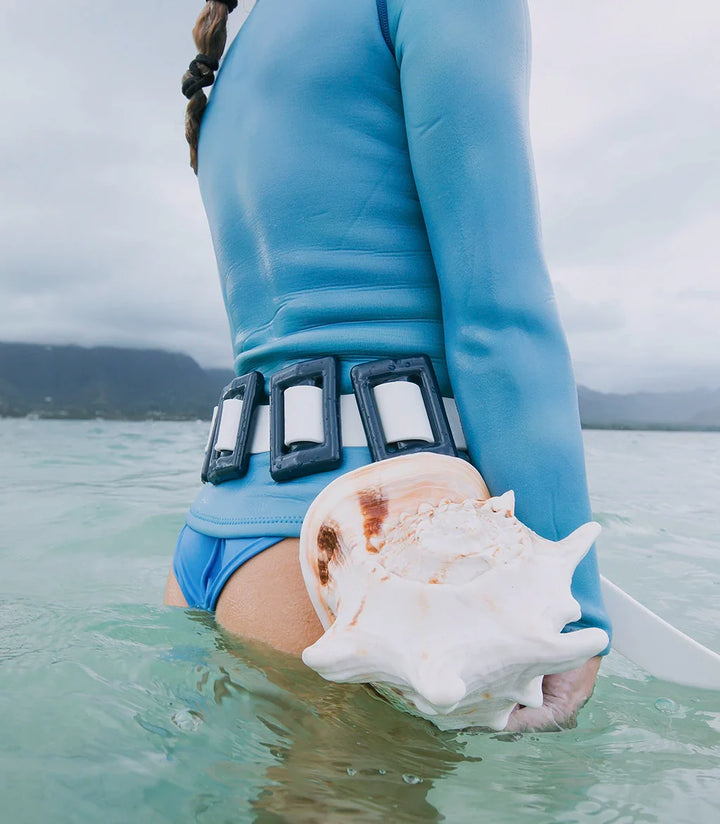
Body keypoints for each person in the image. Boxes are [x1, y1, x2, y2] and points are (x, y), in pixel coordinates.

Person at [164, 0, 611, 731]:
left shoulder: (234, 53)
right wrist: (574, 613)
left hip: (215, 540)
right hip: (366, 557)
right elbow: (499, 315)